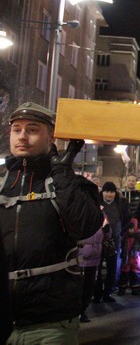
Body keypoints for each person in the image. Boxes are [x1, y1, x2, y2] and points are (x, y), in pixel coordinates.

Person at [0, 102, 103, 343]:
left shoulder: (71, 183)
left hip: (49, 322)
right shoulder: (2, 183)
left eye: (33, 129)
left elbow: (85, 226)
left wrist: (62, 174)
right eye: (17, 129)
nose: (22, 136)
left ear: (51, 137)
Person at [93, 181, 129, 303]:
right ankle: (97, 294)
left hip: (115, 240)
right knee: (97, 267)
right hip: (99, 240)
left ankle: (107, 293)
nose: (109, 194)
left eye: (112, 192)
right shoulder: (97, 204)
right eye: (107, 191)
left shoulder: (121, 204)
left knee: (112, 267)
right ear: (102, 192)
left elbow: (126, 219)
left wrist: (121, 233)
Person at [79, 214, 111, 322]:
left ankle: (82, 310)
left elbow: (107, 236)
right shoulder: (79, 212)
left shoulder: (101, 215)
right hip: (79, 257)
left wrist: (107, 230)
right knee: (80, 287)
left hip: (94, 257)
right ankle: (77, 312)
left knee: (89, 286)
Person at [117, 219, 140, 295]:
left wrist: (139, 249)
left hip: (133, 258)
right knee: (125, 274)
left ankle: (133, 289)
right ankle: (124, 289)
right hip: (130, 258)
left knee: (133, 274)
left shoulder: (135, 235)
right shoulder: (128, 235)